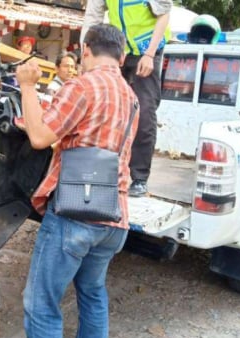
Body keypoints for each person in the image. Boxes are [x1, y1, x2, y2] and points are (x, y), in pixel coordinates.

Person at [16, 23, 138, 338]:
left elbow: (39, 136)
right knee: (92, 292)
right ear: (123, 56)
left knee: (41, 305)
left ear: (85, 51)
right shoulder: (131, 97)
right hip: (114, 215)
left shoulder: (82, 85)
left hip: (75, 215)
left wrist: (27, 85)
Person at [83, 0, 171, 197]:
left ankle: (139, 178)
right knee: (108, 107)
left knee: (145, 111)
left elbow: (164, 13)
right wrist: (85, 56)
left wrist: (149, 54)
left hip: (147, 50)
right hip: (118, 50)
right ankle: (105, 170)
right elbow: (93, 18)